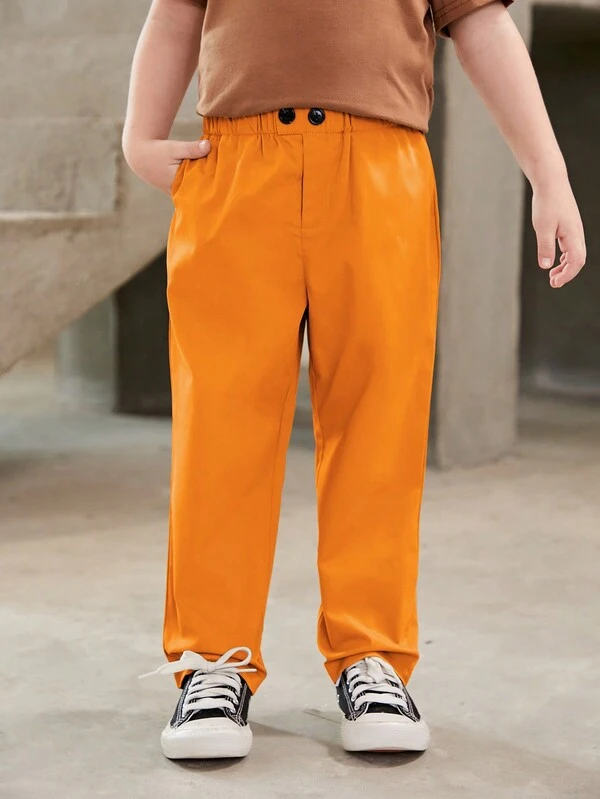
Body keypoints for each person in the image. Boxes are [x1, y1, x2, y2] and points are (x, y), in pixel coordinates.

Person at [123, 0, 586, 760]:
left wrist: (550, 174)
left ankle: (372, 656)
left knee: (380, 420)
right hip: (236, 168)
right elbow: (174, 13)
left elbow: (483, 23)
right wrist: (140, 136)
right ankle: (211, 660)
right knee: (220, 427)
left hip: (382, 166)